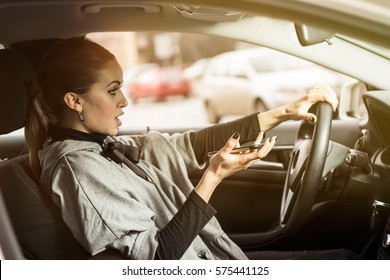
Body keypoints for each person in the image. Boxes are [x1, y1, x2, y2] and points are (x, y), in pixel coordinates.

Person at [25, 37, 351, 260]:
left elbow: (191, 145)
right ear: (74, 100)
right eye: (112, 91)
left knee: (348, 257)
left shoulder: (105, 147)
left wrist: (283, 112)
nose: (124, 100)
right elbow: (157, 259)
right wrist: (212, 178)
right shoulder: (77, 169)